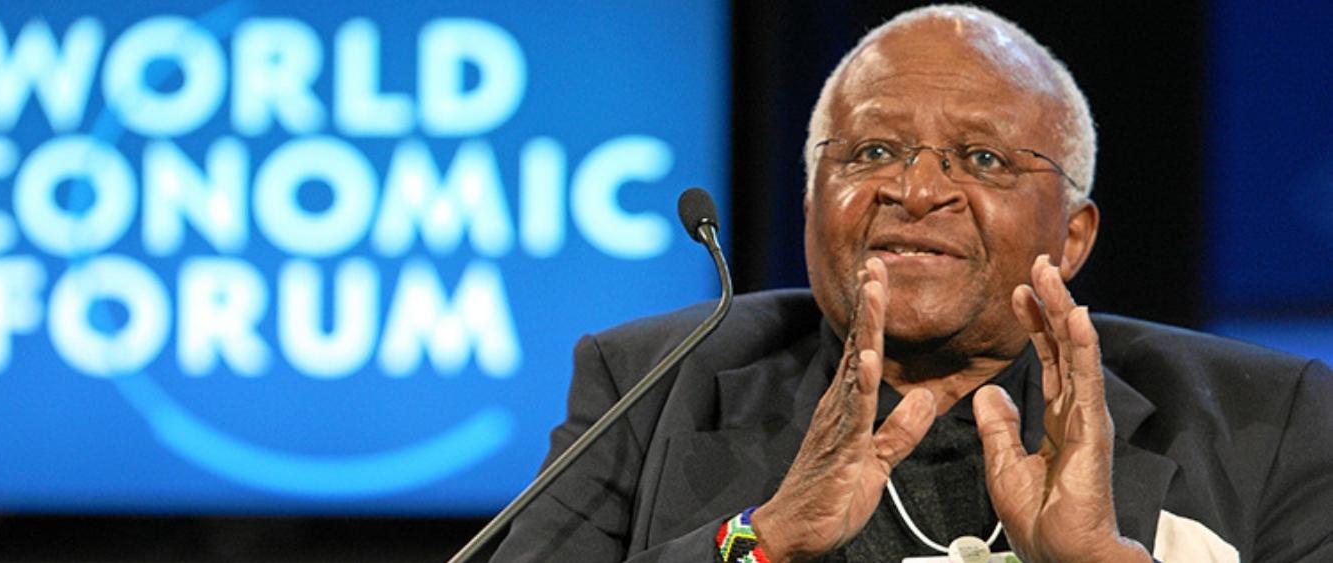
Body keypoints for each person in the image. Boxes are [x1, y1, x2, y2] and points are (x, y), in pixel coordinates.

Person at [491, 5, 1333, 562]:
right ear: (812, 202)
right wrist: (761, 541)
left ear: (1072, 237)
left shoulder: (1266, 417)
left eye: (982, 159)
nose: (918, 190)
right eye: (872, 153)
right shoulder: (648, 382)